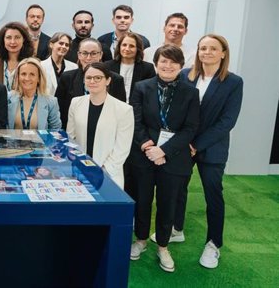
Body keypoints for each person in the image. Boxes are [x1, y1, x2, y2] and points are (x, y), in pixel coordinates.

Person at [158, 34, 243, 269]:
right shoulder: (186, 75)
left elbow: (227, 121)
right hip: (182, 143)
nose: (206, 52)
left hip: (211, 147)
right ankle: (176, 228)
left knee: (213, 193)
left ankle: (214, 243)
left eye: (213, 48)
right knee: (179, 187)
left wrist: (197, 144)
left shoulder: (233, 82)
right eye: (203, 47)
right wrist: (182, 142)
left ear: (223, 53)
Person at [129, 45, 200, 273]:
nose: (167, 66)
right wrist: (148, 146)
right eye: (163, 61)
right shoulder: (141, 87)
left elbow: (190, 129)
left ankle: (162, 245)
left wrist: (164, 151)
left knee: (168, 202)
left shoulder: (190, 92)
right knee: (142, 198)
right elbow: (135, 120)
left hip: (174, 157)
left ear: (181, 66)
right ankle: (140, 240)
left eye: (173, 62)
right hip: (144, 153)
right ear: (156, 63)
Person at [66, 62, 134, 188]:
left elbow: (122, 148)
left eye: (98, 78)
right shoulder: (76, 103)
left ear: (107, 81)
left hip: (108, 173)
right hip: (79, 171)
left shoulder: (124, 110)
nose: (93, 81)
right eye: (88, 78)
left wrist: (103, 170)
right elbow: (71, 137)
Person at [56, 38, 127, 128]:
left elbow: (120, 112)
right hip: (74, 132)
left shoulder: (116, 79)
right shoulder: (67, 78)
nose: (89, 58)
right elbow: (60, 110)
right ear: (78, 55)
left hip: (106, 131)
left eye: (93, 53)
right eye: (85, 53)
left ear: (100, 55)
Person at [7, 57, 61, 130]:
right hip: (12, 141)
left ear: (39, 78)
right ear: (18, 77)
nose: (27, 78)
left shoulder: (51, 102)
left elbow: (55, 130)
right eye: (23, 74)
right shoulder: (8, 98)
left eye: (32, 74)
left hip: (40, 141)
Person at [105, 32, 156, 103]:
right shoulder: (107, 66)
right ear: (119, 46)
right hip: (112, 107)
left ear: (137, 49)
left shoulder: (147, 68)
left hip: (136, 109)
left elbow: (150, 93)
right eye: (124, 45)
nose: (127, 49)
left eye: (131, 46)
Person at [0, 22, 35, 92]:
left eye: (17, 37)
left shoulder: (33, 63)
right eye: (8, 37)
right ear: (3, 40)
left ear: (24, 39)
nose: (13, 42)